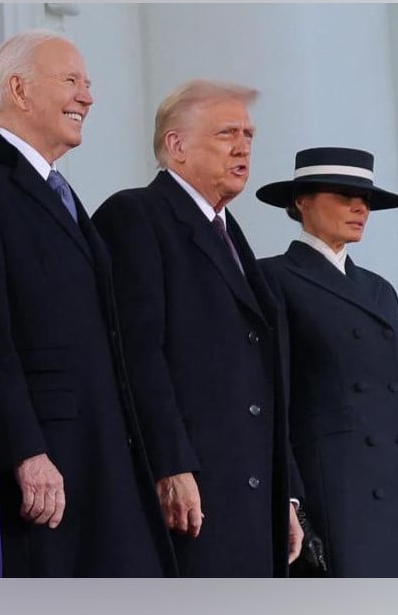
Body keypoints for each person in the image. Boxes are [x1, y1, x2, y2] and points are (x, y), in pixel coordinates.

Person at [0, 30, 175, 577]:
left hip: (104, 451)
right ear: (19, 89)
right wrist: (25, 451)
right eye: (71, 81)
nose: (88, 97)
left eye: (88, 83)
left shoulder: (62, 192)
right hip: (44, 468)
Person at [92, 79, 300, 577]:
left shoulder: (233, 235)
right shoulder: (137, 215)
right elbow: (138, 352)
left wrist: (287, 491)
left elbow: (267, 378)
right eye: (227, 132)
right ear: (177, 145)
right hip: (191, 498)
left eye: (249, 134)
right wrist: (169, 463)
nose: (243, 145)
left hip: (252, 502)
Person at [255, 146, 398, 577]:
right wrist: (294, 505)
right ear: (302, 201)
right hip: (336, 499)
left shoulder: (381, 292)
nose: (360, 207)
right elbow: (271, 403)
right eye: (345, 196)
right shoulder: (271, 278)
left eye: (365, 199)